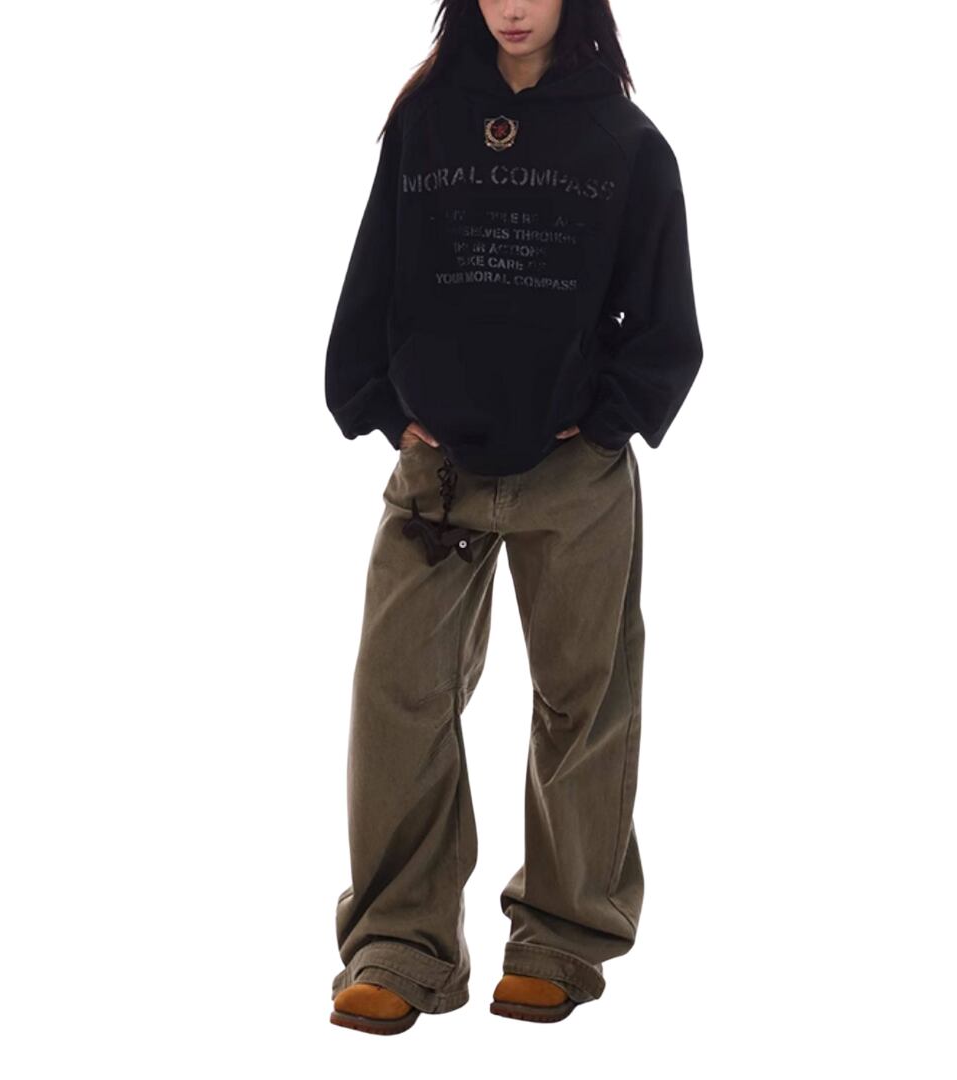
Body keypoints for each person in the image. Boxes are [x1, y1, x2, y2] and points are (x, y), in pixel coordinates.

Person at [324, 0, 702, 1034]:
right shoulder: (424, 123)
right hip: (437, 466)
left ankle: (560, 941)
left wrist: (611, 417)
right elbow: (378, 267)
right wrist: (376, 401)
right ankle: (398, 945)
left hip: (573, 472)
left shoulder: (627, 143)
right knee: (397, 694)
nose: (514, 5)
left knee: (584, 699)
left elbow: (666, 314)